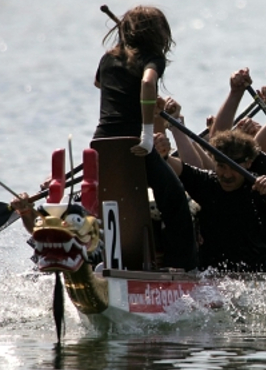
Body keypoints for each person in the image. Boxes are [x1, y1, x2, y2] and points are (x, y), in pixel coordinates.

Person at [91, 5, 198, 271]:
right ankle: (182, 269)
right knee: (175, 199)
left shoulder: (107, 59)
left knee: (117, 200)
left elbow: (101, 85)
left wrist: (147, 101)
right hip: (135, 145)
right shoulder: (152, 59)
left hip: (103, 143)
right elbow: (148, 84)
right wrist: (148, 133)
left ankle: (114, 260)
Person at [164, 129, 266, 272]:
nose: (227, 174)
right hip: (211, 276)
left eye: (234, 168)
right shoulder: (208, 182)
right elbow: (177, 166)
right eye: (221, 166)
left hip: (254, 277)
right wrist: (163, 154)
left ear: (248, 163)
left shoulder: (258, 187)